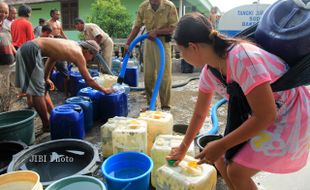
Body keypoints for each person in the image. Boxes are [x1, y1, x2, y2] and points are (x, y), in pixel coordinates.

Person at [167, 12, 310, 190]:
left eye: (181, 51)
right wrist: (182, 148)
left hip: (291, 115)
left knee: (237, 171)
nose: (182, 56)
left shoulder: (242, 58)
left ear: (193, 47)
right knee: (219, 159)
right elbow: (198, 114)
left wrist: (222, 144)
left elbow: (266, 115)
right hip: (268, 114)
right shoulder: (209, 72)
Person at [15, 38, 113, 132]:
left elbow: (52, 59)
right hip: (31, 50)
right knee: (37, 92)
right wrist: (104, 90)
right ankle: (47, 125)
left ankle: (53, 116)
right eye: (92, 57)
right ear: (87, 51)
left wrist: (46, 78)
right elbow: (88, 80)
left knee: (41, 88)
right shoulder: (78, 54)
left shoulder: (71, 45)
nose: (90, 60)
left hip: (27, 48)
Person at [125, 0, 178, 111]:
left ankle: (165, 106)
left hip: (163, 42)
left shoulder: (169, 6)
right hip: (148, 41)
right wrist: (128, 43)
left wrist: (157, 32)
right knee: (148, 75)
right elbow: (137, 26)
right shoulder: (144, 7)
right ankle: (151, 104)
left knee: (164, 76)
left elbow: (173, 27)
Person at [0, 2, 16, 112]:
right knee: (3, 91)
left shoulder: (4, 28)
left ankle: (7, 110)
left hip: (11, 64)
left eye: (5, 12)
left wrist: (18, 54)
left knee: (12, 90)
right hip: (2, 67)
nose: (3, 14)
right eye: (1, 11)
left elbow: (10, 44)